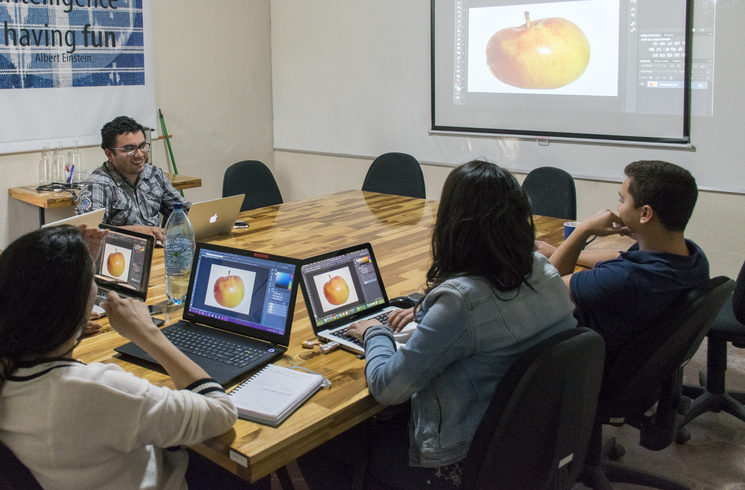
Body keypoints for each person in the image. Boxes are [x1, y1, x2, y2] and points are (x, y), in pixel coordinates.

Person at [298, 160, 577, 490]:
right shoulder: (543, 270)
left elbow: (387, 387)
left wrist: (374, 331)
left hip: (458, 460)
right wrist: (429, 310)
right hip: (526, 444)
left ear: (454, 224)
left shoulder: (460, 303)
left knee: (317, 439)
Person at [0, 226, 244, 490]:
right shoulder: (97, 392)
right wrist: (149, 335)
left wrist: (73, 294)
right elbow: (220, 413)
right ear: (76, 311)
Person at [537, 160, 709, 364]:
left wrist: (583, 231)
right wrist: (558, 251)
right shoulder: (692, 256)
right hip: (639, 363)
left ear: (645, 213)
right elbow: (617, 255)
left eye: (621, 200)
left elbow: (547, 289)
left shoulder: (623, 279)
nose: (617, 208)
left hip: (582, 367)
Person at [76, 116, 190, 243]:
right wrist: (137, 231)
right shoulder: (98, 184)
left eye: (142, 146)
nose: (140, 154)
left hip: (158, 250)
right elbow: (88, 234)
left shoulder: (154, 174)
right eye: (130, 149)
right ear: (109, 154)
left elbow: (184, 212)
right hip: (120, 255)